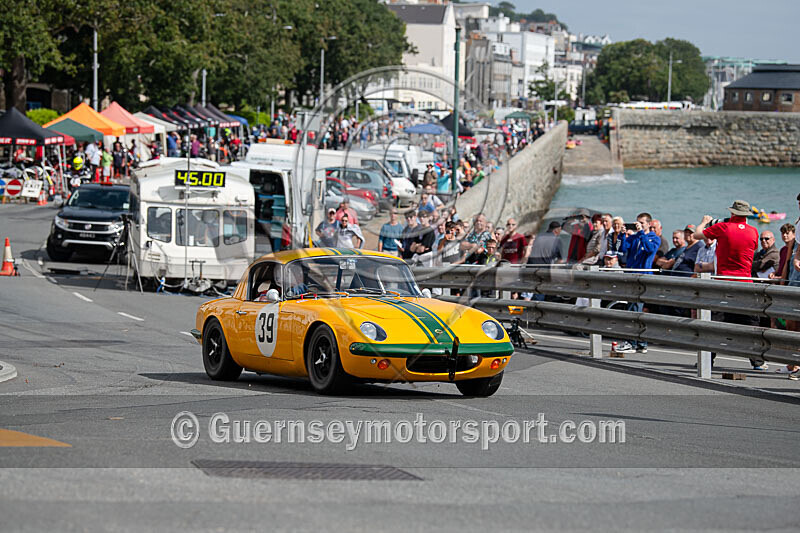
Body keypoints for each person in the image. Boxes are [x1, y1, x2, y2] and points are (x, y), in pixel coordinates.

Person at [693, 200, 763, 369]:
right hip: (746, 283)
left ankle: (707, 360)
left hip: (723, 282)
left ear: (732, 213)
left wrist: (704, 221)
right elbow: (753, 249)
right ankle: (757, 361)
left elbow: (697, 235)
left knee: (714, 323)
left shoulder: (723, 228)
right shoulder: (753, 231)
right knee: (750, 323)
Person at [616, 212, 661, 354]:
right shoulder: (635, 237)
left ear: (649, 224)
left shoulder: (654, 238)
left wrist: (641, 233)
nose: (638, 225)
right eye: (637, 222)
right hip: (631, 275)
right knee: (634, 309)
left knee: (635, 309)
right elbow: (622, 249)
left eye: (642, 223)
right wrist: (622, 235)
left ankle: (632, 342)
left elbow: (649, 249)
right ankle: (641, 343)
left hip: (643, 277)